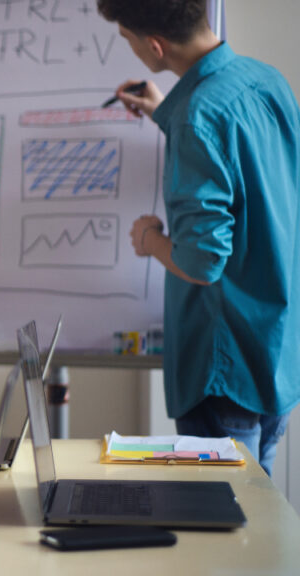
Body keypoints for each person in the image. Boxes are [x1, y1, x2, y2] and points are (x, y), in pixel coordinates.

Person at [98, 0, 300, 475]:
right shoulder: (265, 79)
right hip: (274, 357)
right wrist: (165, 111)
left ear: (154, 46)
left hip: (223, 374)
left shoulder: (194, 117)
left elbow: (203, 260)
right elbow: (242, 167)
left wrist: (149, 239)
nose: (129, 48)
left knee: (227, 533)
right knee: (261, 526)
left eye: (127, 39)